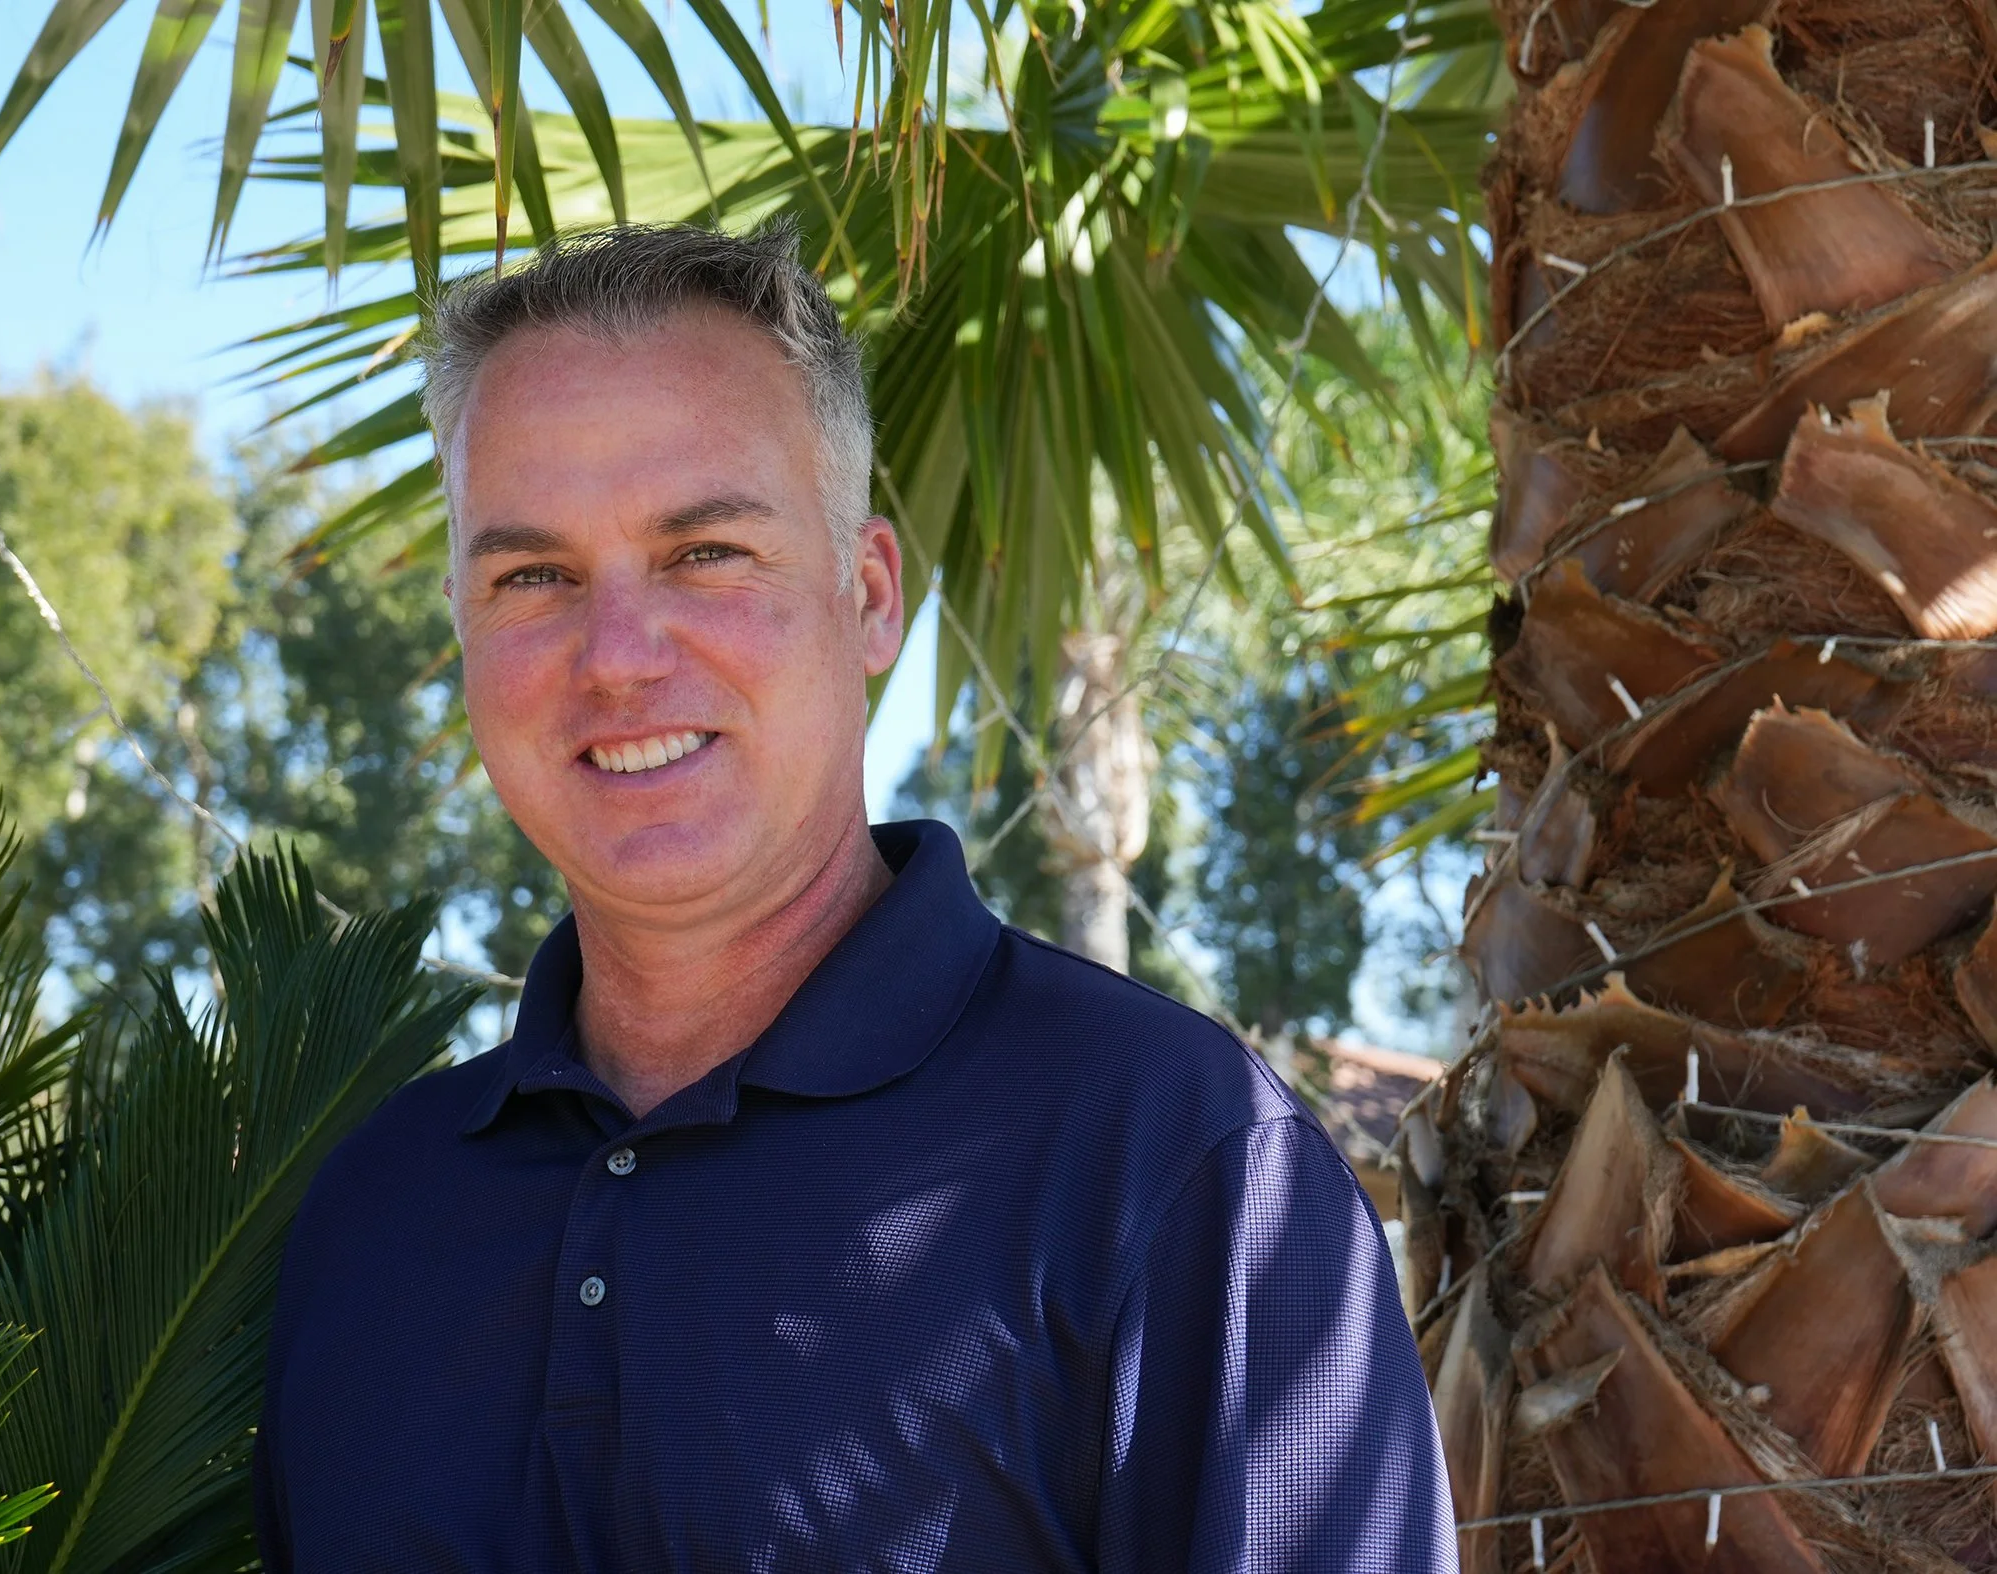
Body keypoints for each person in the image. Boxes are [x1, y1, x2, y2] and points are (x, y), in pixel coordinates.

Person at [254, 222, 1454, 1572]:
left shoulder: (1176, 1166)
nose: (619, 656)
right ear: (463, 625)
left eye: (707, 552)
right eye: (534, 575)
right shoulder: (369, 1223)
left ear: (870, 595)